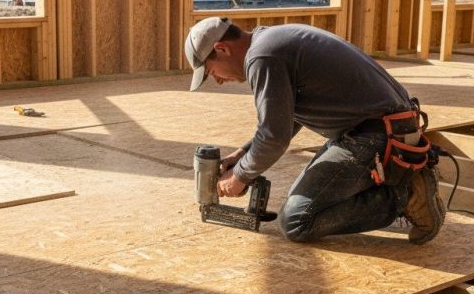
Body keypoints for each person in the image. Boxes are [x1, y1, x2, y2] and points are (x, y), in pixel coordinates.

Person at [184, 16, 445, 244]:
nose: (217, 80)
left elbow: (274, 137)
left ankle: (406, 195)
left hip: (376, 134)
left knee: (298, 220)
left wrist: (239, 176)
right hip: (379, 127)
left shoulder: (262, 58)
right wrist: (240, 156)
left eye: (210, 71)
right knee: (308, 201)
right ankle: (396, 184)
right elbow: (286, 119)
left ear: (221, 48)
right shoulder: (269, 41)